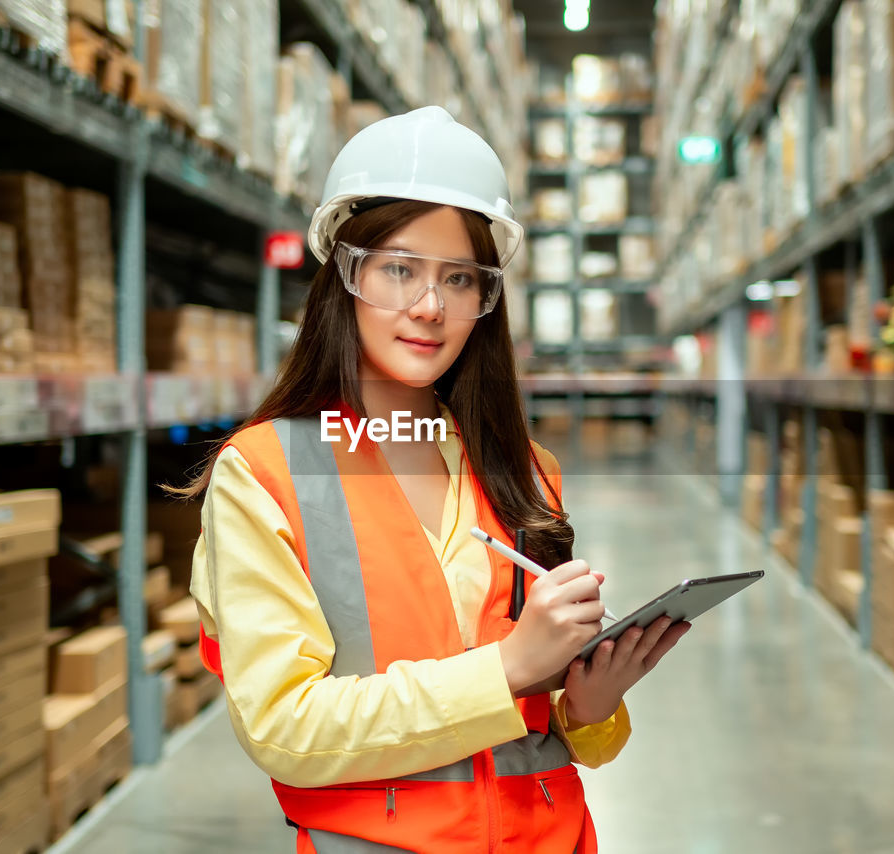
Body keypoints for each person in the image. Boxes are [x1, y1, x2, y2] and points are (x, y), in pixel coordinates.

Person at [182, 106, 691, 853]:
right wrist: (512, 667)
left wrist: (591, 704)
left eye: (459, 278)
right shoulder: (266, 475)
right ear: (344, 276)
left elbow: (569, 741)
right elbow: (282, 728)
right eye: (399, 269)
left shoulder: (525, 473)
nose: (429, 306)